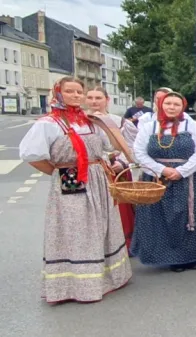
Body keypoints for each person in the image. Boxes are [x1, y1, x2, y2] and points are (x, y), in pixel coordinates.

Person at [19, 77, 132, 304]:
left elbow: (111, 147)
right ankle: (74, 284)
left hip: (97, 177)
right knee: (77, 228)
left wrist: (107, 124)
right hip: (70, 177)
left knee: (101, 224)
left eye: (79, 92)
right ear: (59, 93)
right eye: (69, 91)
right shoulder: (49, 123)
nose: (76, 96)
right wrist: (57, 172)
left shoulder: (90, 121)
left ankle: (107, 277)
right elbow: (32, 155)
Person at [131, 91, 196, 272]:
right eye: (168, 103)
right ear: (161, 104)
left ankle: (189, 256)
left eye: (176, 104)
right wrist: (162, 170)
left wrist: (181, 171)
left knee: (189, 218)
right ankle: (167, 256)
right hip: (157, 178)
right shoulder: (149, 126)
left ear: (182, 107)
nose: (171, 107)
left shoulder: (192, 125)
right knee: (159, 219)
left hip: (190, 177)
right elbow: (139, 152)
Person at [85, 86, 139, 252]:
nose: (94, 102)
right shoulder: (81, 121)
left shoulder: (119, 122)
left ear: (107, 100)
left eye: (98, 98)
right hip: (91, 171)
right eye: (91, 98)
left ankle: (124, 244)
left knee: (120, 210)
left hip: (117, 171)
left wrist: (122, 163)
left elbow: (133, 147)